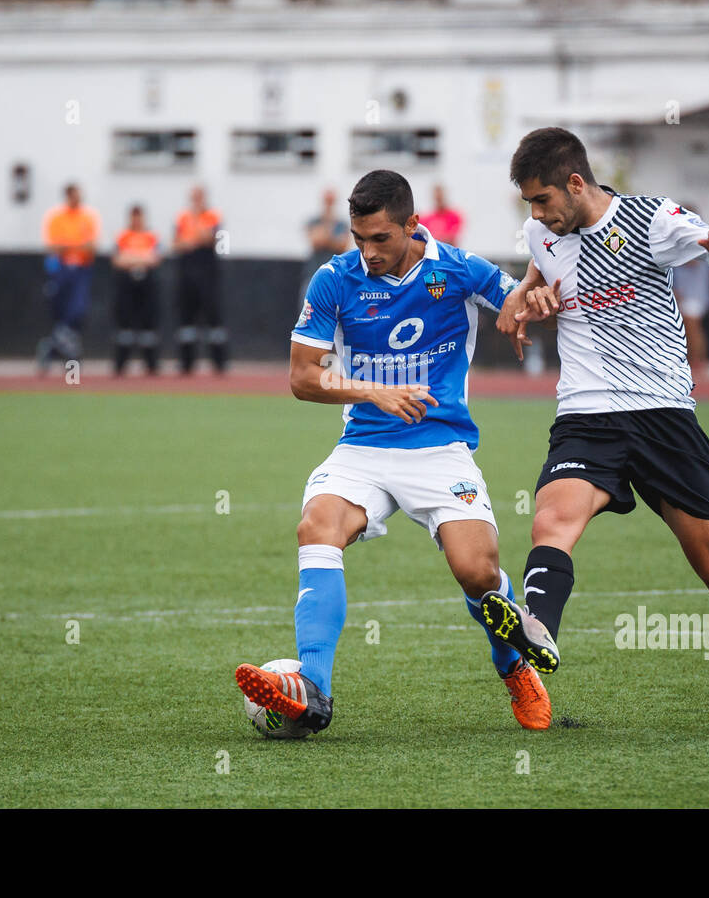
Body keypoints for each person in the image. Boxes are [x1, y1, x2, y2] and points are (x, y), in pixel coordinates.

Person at [489, 127, 709, 732]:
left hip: (664, 415)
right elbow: (544, 267)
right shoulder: (544, 231)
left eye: (541, 200)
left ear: (575, 183)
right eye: (528, 205)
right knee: (550, 520)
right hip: (586, 415)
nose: (534, 215)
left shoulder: (650, 218)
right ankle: (537, 629)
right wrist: (522, 298)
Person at [232, 169, 548, 734]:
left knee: (477, 573)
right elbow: (303, 377)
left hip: (441, 449)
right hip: (363, 449)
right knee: (316, 528)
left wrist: (530, 298)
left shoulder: (456, 269)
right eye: (359, 239)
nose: (368, 252)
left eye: (381, 238)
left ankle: (514, 666)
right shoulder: (334, 280)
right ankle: (314, 693)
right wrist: (371, 390)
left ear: (412, 225)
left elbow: (519, 300)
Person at [36, 184, 100, 373]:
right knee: (61, 311)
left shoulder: (87, 218)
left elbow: (91, 248)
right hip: (61, 270)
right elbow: (53, 247)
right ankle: (69, 354)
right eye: (74, 196)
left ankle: (52, 346)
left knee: (78, 311)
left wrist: (69, 246)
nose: (77, 200)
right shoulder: (56, 218)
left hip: (81, 270)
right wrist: (77, 246)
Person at [173, 186, 227, 374]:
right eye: (194, 197)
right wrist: (196, 238)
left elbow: (217, 241)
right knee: (186, 318)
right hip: (187, 273)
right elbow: (176, 244)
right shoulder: (183, 217)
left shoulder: (213, 216)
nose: (196, 200)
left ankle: (219, 363)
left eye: (199, 197)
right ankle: (186, 363)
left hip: (208, 272)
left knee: (213, 317)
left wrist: (193, 239)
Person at [112, 204, 163, 375]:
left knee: (148, 323)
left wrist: (132, 257)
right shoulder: (123, 236)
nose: (136, 220)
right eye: (134, 216)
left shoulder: (151, 236)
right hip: (127, 283)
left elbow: (155, 258)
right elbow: (118, 260)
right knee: (124, 323)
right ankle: (120, 365)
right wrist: (141, 258)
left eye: (139, 216)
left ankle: (151, 365)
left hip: (147, 284)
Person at [670, 203, 709, 376]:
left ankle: (698, 363)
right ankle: (691, 362)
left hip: (694, 292)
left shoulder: (699, 236)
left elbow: (692, 261)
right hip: (684, 292)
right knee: (687, 328)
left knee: (693, 327)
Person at [299, 188, 349, 308]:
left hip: (335, 278)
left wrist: (326, 238)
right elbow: (315, 242)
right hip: (313, 274)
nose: (329, 204)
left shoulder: (342, 224)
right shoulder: (314, 221)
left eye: (331, 201)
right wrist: (333, 238)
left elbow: (343, 246)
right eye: (327, 201)